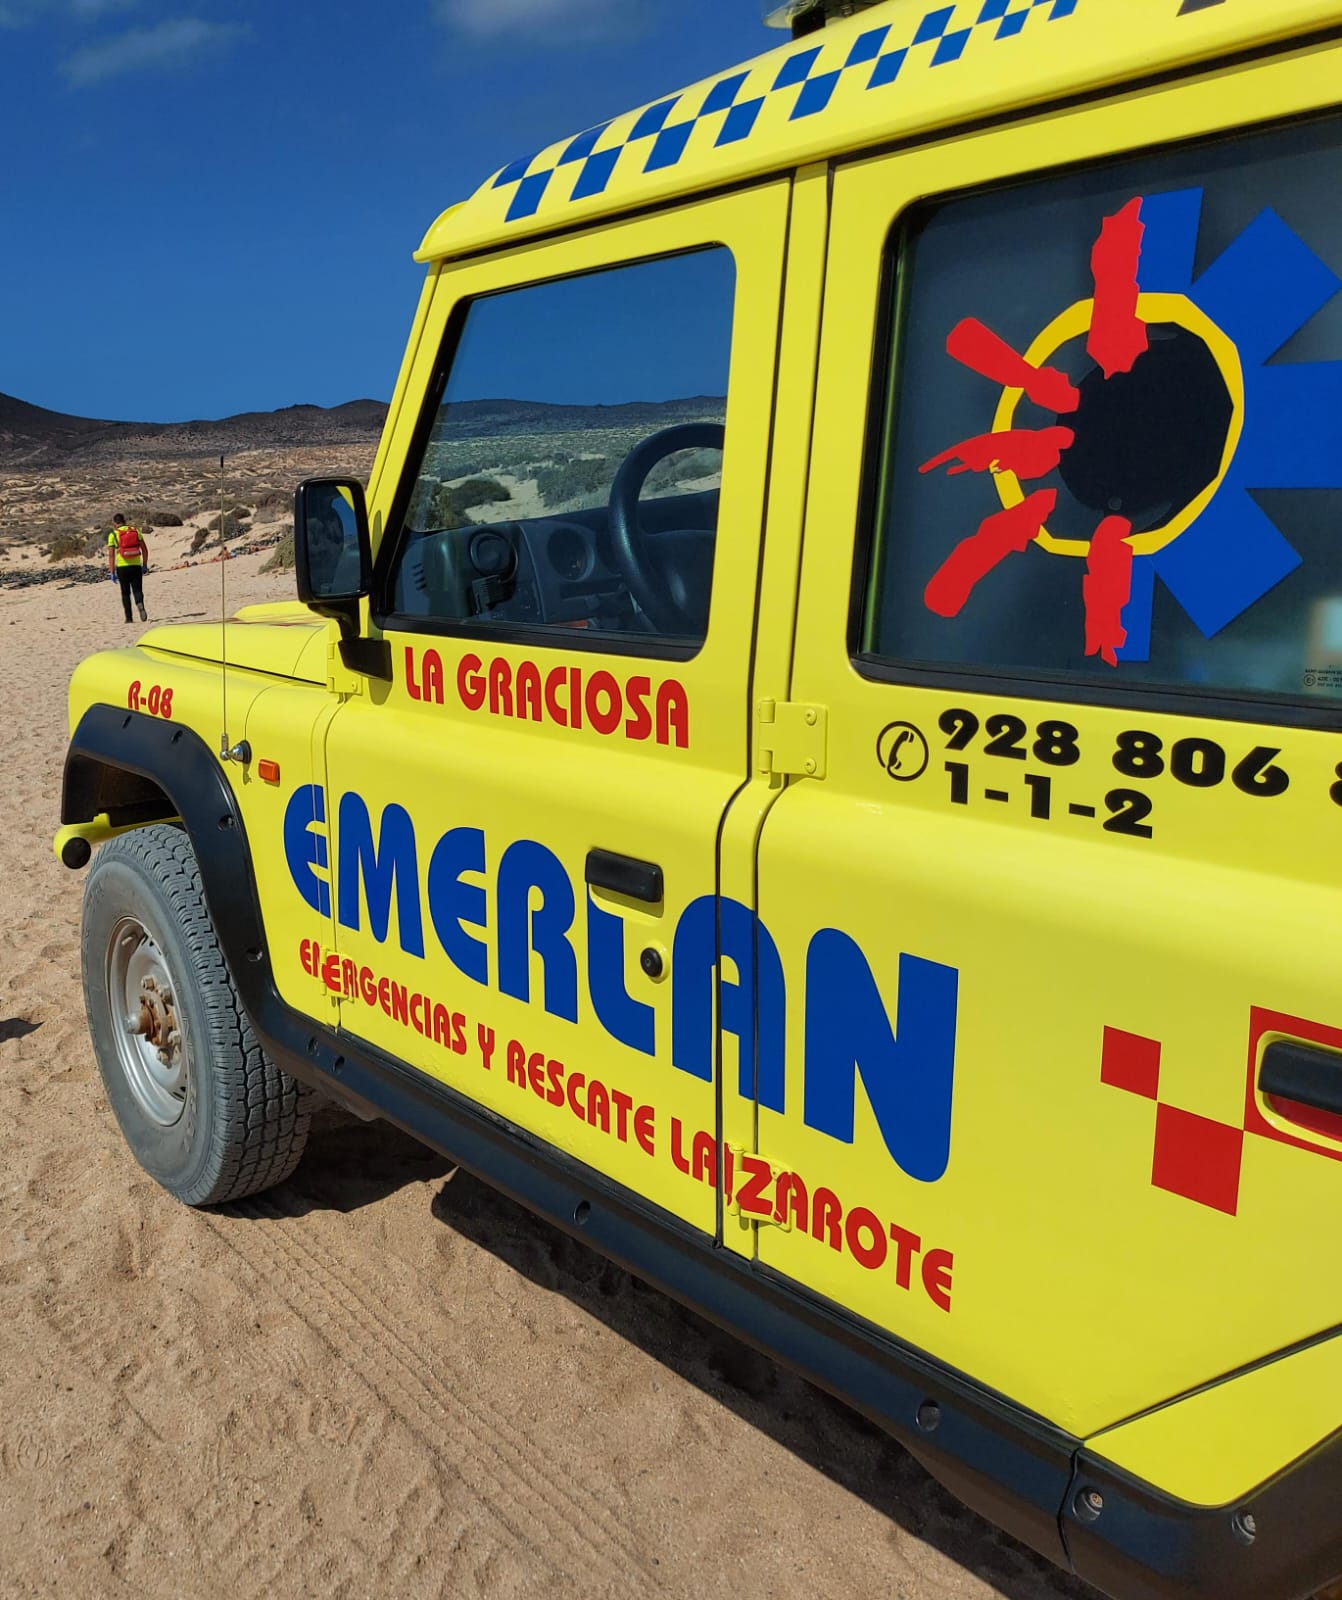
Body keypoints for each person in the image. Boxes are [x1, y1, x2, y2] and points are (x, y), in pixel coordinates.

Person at [107, 513, 149, 623]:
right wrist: (144, 564)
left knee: (125, 593)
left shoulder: (113, 535)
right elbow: (144, 549)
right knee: (137, 589)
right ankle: (140, 604)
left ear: (115, 523)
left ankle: (129, 618)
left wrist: (112, 572)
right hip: (135, 565)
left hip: (122, 567)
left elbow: (111, 555)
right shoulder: (135, 531)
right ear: (124, 521)